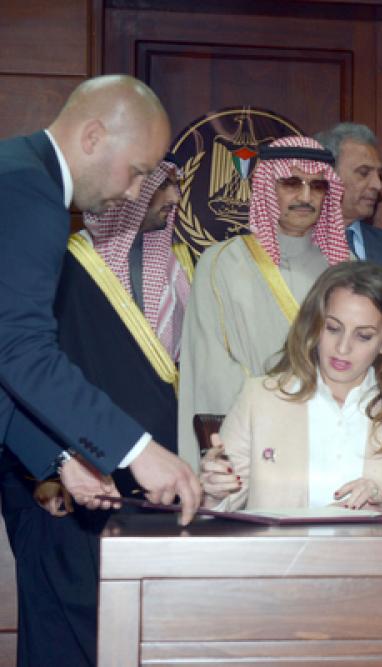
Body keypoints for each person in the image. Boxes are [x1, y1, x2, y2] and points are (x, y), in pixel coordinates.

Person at [0, 156, 189, 667]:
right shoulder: (57, 267)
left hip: (145, 490)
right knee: (64, 632)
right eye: (160, 186)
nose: (174, 199)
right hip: (62, 486)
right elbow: (22, 374)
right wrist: (45, 469)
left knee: (137, 635)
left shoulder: (179, 272)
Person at [0, 73, 200, 522]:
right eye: (138, 172)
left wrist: (62, 460)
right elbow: (20, 350)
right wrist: (137, 449)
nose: (133, 193)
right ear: (93, 136)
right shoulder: (30, 193)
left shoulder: (16, 172)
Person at [200, 262, 382, 514]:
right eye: (333, 328)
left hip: (376, 544)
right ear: (314, 325)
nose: (343, 348)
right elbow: (220, 507)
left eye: (363, 336)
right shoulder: (260, 398)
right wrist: (214, 493)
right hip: (281, 543)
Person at [177, 135, 351, 467]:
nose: (305, 196)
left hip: (330, 442)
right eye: (291, 183)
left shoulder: (346, 269)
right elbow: (213, 369)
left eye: (317, 186)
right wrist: (282, 419)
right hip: (252, 442)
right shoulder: (223, 263)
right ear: (267, 187)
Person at [314, 123, 382, 318]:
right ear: (328, 176)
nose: (377, 185)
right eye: (364, 173)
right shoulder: (294, 244)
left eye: (379, 175)